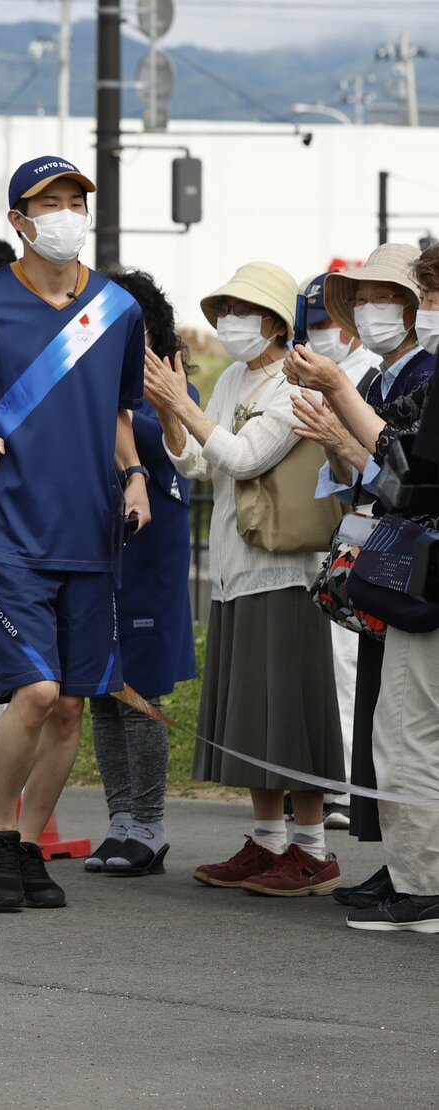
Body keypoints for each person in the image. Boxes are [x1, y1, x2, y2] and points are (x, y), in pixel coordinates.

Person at [0, 155, 151, 912]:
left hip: (89, 530)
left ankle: (30, 845)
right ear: (19, 220)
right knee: (37, 691)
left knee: (71, 702)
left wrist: (135, 474)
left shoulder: (117, 310)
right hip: (7, 528)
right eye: (50, 203)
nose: (67, 214)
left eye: (76, 200)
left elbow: (118, 412)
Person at [144, 261, 344, 898]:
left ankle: (312, 850)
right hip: (236, 572)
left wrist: (182, 404)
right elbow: (200, 465)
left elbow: (246, 456)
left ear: (277, 322)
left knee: (291, 713)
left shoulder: (297, 382)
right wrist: (171, 415)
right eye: (224, 310)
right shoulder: (233, 377)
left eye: (243, 310)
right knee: (255, 715)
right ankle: (268, 841)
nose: (230, 321)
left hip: (285, 573)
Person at [284, 243, 439, 925]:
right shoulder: (380, 376)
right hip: (393, 566)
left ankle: (420, 881)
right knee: (394, 720)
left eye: (414, 296)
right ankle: (404, 863)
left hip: (417, 574)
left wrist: (341, 412)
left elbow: (403, 470)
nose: (378, 309)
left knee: (408, 729)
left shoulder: (420, 375)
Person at [85, 270, 197, 876]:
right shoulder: (95, 384)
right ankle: (120, 820)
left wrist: (125, 405)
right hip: (98, 556)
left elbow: (170, 446)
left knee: (139, 695)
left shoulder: (173, 388)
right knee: (104, 696)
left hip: (151, 562)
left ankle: (149, 825)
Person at [298, 272, 382, 831]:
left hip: (384, 535)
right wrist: (335, 445)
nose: (321, 331)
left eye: (328, 321)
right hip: (352, 533)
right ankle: (347, 786)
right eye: (313, 323)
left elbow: (385, 463)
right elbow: (343, 476)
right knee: (342, 664)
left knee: (354, 666)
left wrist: (338, 438)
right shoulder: (335, 375)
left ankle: (353, 788)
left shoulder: (365, 374)